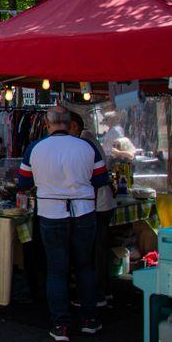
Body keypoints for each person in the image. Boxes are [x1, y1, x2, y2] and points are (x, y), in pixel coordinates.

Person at [17, 106, 109, 342]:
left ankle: (61, 325)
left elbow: (24, 183)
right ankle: (90, 319)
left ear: (47, 124)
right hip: (84, 211)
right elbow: (101, 179)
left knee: (56, 270)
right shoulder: (86, 147)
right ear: (69, 124)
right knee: (85, 266)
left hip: (50, 212)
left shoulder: (35, 148)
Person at [70, 112, 115, 306]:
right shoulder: (88, 141)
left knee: (92, 252)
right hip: (99, 204)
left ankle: (95, 294)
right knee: (99, 250)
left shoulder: (85, 143)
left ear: (73, 126)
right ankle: (102, 290)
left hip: (96, 205)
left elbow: (98, 177)